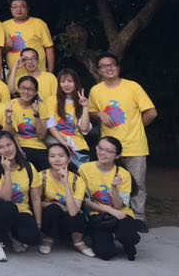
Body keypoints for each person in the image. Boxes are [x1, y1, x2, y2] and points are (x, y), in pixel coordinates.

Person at [89, 53, 156, 231]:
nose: (108, 68)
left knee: (138, 184)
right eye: (104, 66)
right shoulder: (96, 91)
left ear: (118, 67)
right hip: (108, 148)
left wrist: (137, 127)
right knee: (111, 183)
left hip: (134, 145)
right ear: (99, 71)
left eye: (112, 64)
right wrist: (99, 114)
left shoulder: (132, 86)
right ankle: (115, 215)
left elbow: (151, 112)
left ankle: (139, 218)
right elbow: (90, 113)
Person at [0, 127, 43, 262]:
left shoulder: (28, 167)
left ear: (15, 144)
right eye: (1, 147)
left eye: (9, 145)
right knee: (9, 207)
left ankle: (13, 235)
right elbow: (6, 198)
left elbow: (35, 198)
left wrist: (38, 225)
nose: (6, 149)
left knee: (33, 238)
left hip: (21, 210)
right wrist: (7, 171)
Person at [79, 136, 141, 260]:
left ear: (117, 155)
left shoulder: (123, 174)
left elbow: (119, 206)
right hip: (98, 214)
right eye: (100, 148)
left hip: (121, 213)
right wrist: (109, 210)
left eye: (108, 151)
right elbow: (85, 202)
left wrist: (114, 187)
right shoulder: (84, 169)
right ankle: (104, 238)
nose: (102, 153)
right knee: (105, 253)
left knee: (129, 237)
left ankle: (128, 243)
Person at [38, 143, 93, 257]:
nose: (57, 159)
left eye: (61, 155)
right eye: (52, 156)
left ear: (69, 159)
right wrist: (58, 205)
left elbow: (73, 212)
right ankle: (49, 238)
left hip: (69, 219)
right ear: (48, 159)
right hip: (51, 217)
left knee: (78, 215)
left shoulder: (77, 180)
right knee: (53, 209)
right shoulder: (41, 176)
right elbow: (36, 202)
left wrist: (66, 184)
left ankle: (78, 242)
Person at [45, 69, 91, 166]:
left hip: (79, 147)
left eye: (70, 81)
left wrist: (85, 107)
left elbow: (84, 129)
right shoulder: (52, 100)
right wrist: (63, 143)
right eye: (63, 81)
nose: (66, 84)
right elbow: (50, 126)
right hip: (60, 145)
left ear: (76, 83)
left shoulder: (80, 102)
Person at [3, 0, 55, 72]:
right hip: (15, 74)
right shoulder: (4, 26)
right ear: (10, 9)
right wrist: (7, 47)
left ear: (28, 8)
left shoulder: (38, 23)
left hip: (38, 73)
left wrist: (50, 72)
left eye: (22, 6)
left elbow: (49, 48)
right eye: (15, 7)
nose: (18, 9)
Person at [9, 76, 49, 170]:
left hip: (38, 147)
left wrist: (36, 114)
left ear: (35, 92)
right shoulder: (11, 105)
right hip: (18, 146)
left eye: (31, 89)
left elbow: (42, 136)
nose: (26, 92)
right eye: (23, 88)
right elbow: (11, 133)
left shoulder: (41, 106)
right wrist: (19, 149)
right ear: (18, 89)